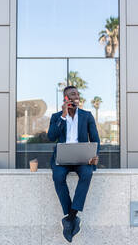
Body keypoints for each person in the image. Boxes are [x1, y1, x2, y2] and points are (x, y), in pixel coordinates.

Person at [48, 86, 100, 243]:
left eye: (77, 94)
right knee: (58, 177)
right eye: (72, 94)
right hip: (62, 158)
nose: (76, 96)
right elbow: (51, 137)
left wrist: (94, 155)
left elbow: (96, 139)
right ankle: (72, 219)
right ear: (65, 98)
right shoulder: (57, 116)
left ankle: (70, 218)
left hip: (82, 158)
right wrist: (63, 116)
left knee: (87, 173)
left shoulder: (87, 115)